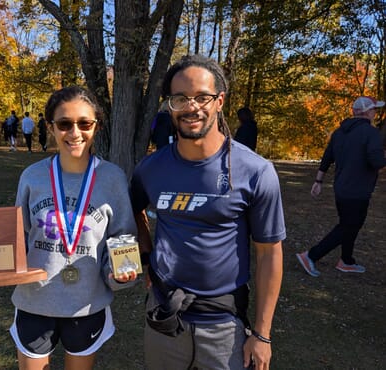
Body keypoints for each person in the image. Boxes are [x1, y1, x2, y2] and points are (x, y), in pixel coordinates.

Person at [130, 55, 285, 370]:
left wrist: (263, 334)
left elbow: (269, 253)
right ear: (170, 105)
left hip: (224, 323)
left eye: (202, 97)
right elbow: (134, 211)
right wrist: (146, 256)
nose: (191, 107)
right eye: (180, 99)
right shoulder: (150, 168)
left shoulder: (256, 171)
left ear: (220, 101)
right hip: (163, 316)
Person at [10, 86, 138, 370]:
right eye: (65, 124)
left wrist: (120, 273)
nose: (75, 133)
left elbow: (123, 237)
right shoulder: (32, 177)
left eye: (85, 123)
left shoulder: (112, 178)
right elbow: (17, 235)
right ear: (50, 127)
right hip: (35, 301)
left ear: (97, 126)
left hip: (86, 304)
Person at [296, 96, 386, 277]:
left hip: (341, 188)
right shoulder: (371, 133)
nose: (375, 113)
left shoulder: (339, 132)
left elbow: (327, 156)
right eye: (374, 109)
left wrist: (318, 181)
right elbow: (377, 162)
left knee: (350, 224)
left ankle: (346, 260)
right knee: (348, 227)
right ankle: (311, 256)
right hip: (358, 190)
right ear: (367, 112)